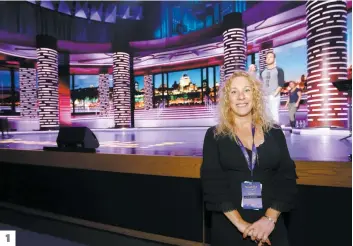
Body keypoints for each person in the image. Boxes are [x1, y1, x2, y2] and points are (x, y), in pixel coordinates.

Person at [200, 70, 297, 246]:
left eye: (247, 90)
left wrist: (269, 219)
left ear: (256, 95)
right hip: (230, 227)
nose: (241, 97)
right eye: (234, 92)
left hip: (271, 226)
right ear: (227, 99)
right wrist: (243, 226)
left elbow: (287, 177)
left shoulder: (274, 132)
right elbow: (212, 185)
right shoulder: (214, 135)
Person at [260, 52, 285, 124]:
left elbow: (281, 84)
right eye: (267, 57)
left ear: (274, 59)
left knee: (274, 115)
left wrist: (274, 94)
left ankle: (276, 132)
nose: (268, 58)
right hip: (264, 97)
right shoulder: (262, 71)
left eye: (270, 57)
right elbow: (260, 84)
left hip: (274, 95)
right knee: (265, 115)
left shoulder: (279, 70)